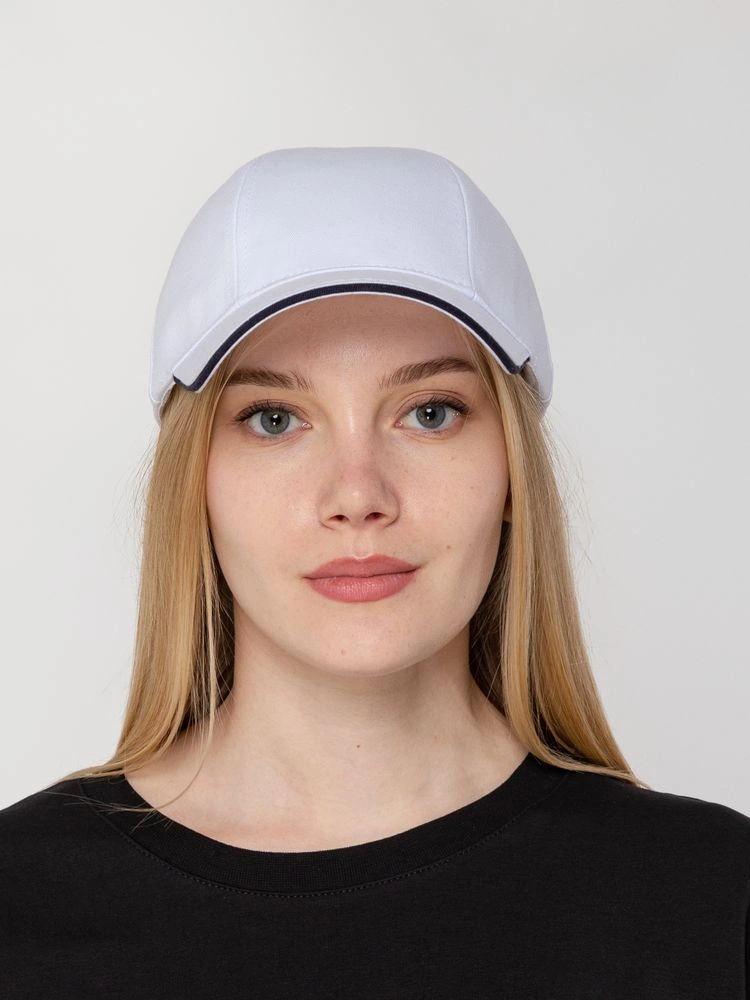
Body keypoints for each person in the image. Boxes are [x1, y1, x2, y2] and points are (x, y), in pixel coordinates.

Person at [1, 146, 748, 998]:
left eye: (429, 413)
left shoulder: (712, 900)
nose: (357, 495)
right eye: (274, 418)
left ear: (512, 472)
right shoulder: (18, 904)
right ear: (194, 484)